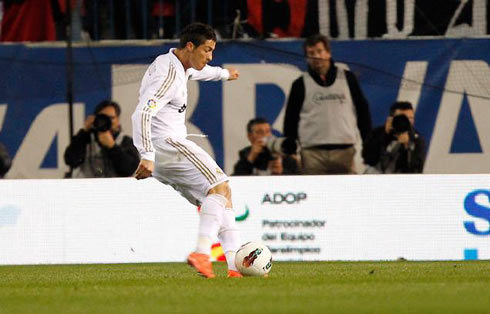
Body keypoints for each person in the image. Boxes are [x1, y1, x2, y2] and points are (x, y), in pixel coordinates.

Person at [131, 23, 241, 278]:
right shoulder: (168, 75)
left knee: (222, 194)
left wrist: (224, 74)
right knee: (219, 185)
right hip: (166, 145)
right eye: (207, 50)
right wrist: (147, 156)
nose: (210, 56)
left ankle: (235, 267)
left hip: (164, 153)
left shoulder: (180, 65)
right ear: (190, 46)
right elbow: (142, 113)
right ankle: (202, 253)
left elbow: (199, 73)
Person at [283, 34, 372, 174]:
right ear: (306, 57)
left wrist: (368, 141)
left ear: (328, 52)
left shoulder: (347, 78)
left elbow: (362, 111)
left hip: (344, 151)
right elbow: (291, 119)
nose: (316, 56)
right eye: (311, 53)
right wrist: (290, 146)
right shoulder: (300, 84)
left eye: (319, 51)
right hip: (312, 153)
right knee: (314, 193)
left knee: (346, 192)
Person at [64, 100, 139, 178]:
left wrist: (112, 146)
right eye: (103, 117)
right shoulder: (86, 138)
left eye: (111, 118)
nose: (108, 121)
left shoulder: (125, 141)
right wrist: (84, 132)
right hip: (87, 188)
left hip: (114, 189)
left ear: (118, 120)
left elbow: (129, 170)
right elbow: (70, 161)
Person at [362, 101, 425, 174]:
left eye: (411, 118)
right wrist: (384, 135)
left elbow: (414, 170)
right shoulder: (378, 132)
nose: (408, 122)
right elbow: (369, 159)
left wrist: (406, 147)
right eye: (404, 118)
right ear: (391, 118)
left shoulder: (416, 139)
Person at [233, 117, 299, 175]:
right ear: (250, 136)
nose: (265, 135)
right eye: (260, 132)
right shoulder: (246, 153)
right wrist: (251, 157)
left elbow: (297, 178)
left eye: (268, 131)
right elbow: (237, 176)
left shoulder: (282, 152)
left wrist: (282, 172)